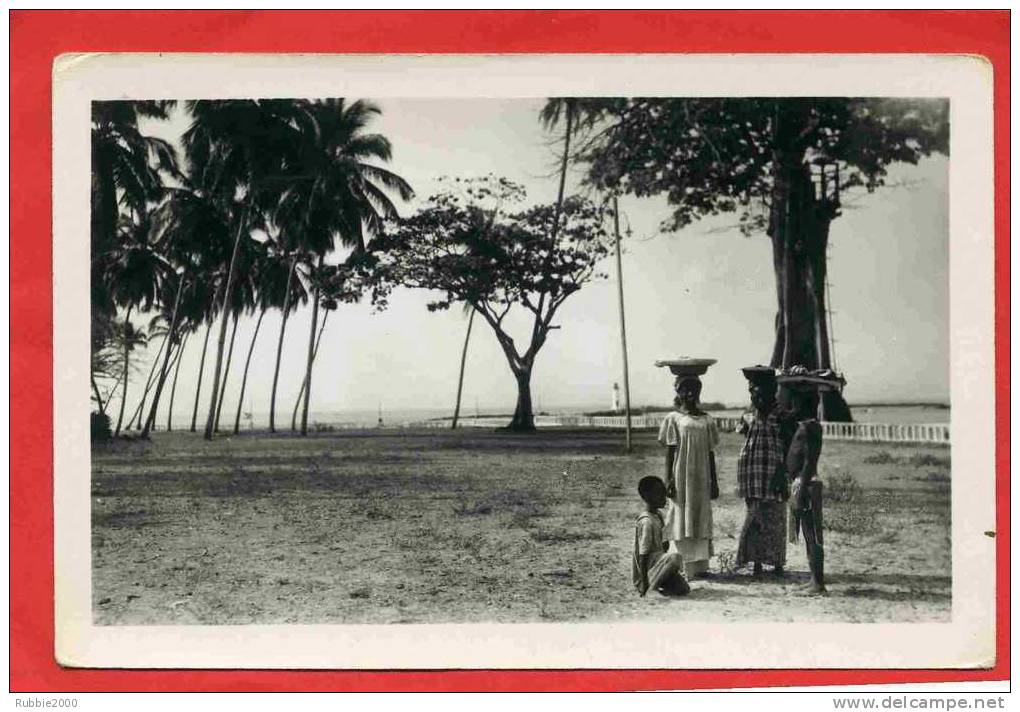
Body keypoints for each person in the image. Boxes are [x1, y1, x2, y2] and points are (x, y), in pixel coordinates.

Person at [658, 375, 720, 579]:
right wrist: (668, 479)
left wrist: (714, 481)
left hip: (701, 476)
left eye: (694, 389)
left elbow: (711, 452)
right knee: (681, 513)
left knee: (699, 513)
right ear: (678, 392)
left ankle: (700, 567)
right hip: (681, 474)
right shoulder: (673, 418)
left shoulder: (707, 419)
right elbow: (670, 451)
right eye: (685, 390)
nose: (690, 394)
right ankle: (681, 565)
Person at [777, 368, 832, 595]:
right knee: (809, 535)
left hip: (807, 484)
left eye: (796, 400)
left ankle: (818, 583)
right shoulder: (804, 425)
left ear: (806, 402)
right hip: (803, 483)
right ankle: (814, 579)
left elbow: (809, 461)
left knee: (812, 535)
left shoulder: (809, 427)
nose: (792, 404)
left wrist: (800, 491)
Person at [735, 366, 792, 577]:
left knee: (776, 520)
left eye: (758, 392)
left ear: (771, 391)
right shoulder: (748, 415)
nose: (754, 396)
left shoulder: (781, 415)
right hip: (752, 474)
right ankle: (756, 564)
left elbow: (788, 446)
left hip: (774, 474)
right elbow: (747, 439)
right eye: (751, 392)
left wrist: (783, 472)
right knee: (755, 520)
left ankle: (777, 563)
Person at [633, 476, 690, 597]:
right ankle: (650, 589)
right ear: (647, 497)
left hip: (658, 565)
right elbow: (643, 557)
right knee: (675, 557)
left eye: (664, 494)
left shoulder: (658, 515)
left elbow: (664, 546)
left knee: (683, 588)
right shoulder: (647, 521)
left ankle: (658, 585)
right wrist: (644, 583)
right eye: (659, 494)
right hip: (647, 572)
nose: (664, 498)